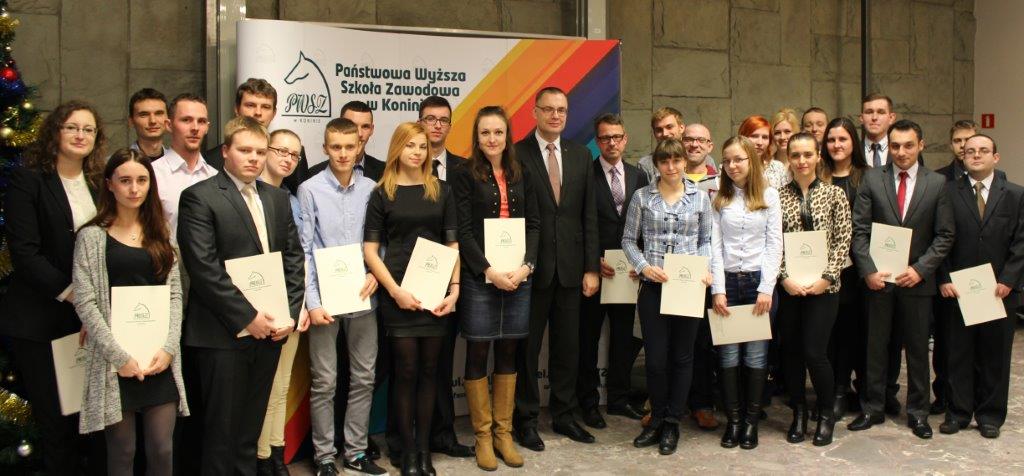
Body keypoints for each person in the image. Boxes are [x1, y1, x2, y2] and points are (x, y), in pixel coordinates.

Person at [176, 116, 305, 474]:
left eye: (260, 152)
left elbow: (294, 260)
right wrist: (248, 318)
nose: (253, 158)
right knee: (221, 434)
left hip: (271, 333)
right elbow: (204, 269)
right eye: (245, 150)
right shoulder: (199, 197)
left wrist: (289, 315)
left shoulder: (277, 199)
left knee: (250, 432)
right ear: (225, 151)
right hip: (223, 334)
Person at [0, 100, 107, 474]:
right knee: (57, 425)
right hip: (41, 319)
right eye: (72, 127)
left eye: (88, 129)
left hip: (90, 323)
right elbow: (25, 253)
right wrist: (76, 295)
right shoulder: (28, 179)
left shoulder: (99, 183)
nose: (80, 135)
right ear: (55, 132)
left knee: (93, 425)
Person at [71, 149, 189, 476]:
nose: (134, 189)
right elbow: (86, 302)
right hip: (114, 362)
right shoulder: (91, 237)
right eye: (125, 181)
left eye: (141, 180)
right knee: (123, 452)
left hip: (158, 358)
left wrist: (169, 348)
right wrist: (119, 357)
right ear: (110, 184)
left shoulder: (160, 234)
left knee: (162, 449)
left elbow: (175, 294)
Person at [848, 120, 955, 440]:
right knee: (876, 347)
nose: (901, 152)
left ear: (921, 145)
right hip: (879, 281)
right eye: (895, 146)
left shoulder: (937, 183)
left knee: (918, 350)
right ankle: (873, 408)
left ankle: (918, 413)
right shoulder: (872, 178)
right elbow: (859, 229)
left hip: (917, 282)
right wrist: (868, 270)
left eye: (908, 145)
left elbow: (945, 234)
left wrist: (921, 269)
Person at [363, 122, 460, 475]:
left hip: (435, 294)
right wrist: (395, 291)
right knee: (405, 372)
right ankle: (405, 451)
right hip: (398, 293)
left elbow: (452, 243)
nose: (417, 152)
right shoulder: (382, 193)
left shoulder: (442, 190)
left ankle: (423, 452)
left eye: (422, 146)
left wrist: (455, 290)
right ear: (397, 149)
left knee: (430, 372)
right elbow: (370, 250)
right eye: (410, 145)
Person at [513, 87, 600, 451]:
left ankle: (564, 415)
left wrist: (591, 267)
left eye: (561, 110)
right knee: (527, 350)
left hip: (571, 269)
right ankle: (525, 420)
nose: (555, 115)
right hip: (531, 269)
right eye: (548, 109)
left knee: (567, 348)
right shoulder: (516, 153)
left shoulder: (581, 154)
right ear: (534, 112)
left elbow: (588, 214)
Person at [452, 106, 539, 471]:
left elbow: (534, 224)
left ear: (508, 136)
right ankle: (483, 438)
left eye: (498, 132)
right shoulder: (464, 174)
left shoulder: (523, 171)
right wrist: (488, 270)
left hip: (517, 277)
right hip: (480, 278)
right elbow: (463, 230)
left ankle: (504, 434)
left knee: (508, 352)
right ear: (477, 137)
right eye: (485, 132)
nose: (492, 138)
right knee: (477, 352)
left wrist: (526, 267)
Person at [300, 119, 385, 476]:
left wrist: (375, 274)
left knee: (364, 376)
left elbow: (381, 240)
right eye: (336, 147)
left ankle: (356, 451)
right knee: (325, 381)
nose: (343, 154)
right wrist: (313, 302)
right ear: (325, 149)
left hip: (364, 295)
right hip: (325, 298)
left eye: (350, 146)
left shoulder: (372, 188)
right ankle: (323, 456)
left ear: (360, 146)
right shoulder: (309, 189)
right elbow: (304, 250)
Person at [622, 138, 713, 456]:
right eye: (665, 161)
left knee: (683, 357)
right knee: (656, 359)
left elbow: (705, 240)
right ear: (657, 164)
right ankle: (657, 418)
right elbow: (629, 240)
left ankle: (673, 422)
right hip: (653, 287)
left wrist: (704, 268)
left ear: (684, 162)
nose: (671, 167)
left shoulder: (699, 198)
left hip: (688, 287)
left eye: (676, 160)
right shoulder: (641, 197)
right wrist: (644, 267)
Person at [936, 134, 1024, 439]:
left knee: (994, 355)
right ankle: (958, 412)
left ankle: (990, 415)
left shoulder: (1015, 194)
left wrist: (1009, 279)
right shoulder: (947, 192)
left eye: (983, 151)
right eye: (970, 151)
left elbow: (1021, 241)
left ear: (995, 157)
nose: (976, 155)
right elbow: (939, 237)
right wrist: (944, 277)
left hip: (999, 290)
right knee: (958, 354)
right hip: (959, 290)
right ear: (962, 157)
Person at [776, 132, 852, 447]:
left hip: (825, 289)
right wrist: (784, 278)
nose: (802, 161)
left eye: (808, 154)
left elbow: (843, 239)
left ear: (818, 156)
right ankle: (799, 413)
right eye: (795, 155)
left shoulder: (835, 194)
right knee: (792, 352)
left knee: (815, 353)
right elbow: (772, 242)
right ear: (789, 159)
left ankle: (825, 414)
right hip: (790, 289)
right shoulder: (777, 196)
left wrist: (827, 277)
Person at [576, 113, 648, 432]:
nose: (612, 143)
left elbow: (645, 224)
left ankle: (619, 398)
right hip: (596, 272)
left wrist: (640, 261)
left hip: (627, 273)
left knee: (622, 337)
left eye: (617, 137)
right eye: (605, 138)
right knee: (588, 339)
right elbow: (578, 224)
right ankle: (588, 403)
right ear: (597, 141)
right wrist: (591, 262)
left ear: (625, 139)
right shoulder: (584, 175)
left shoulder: (638, 176)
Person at [710, 136, 782, 450]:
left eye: (738, 159)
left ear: (751, 160)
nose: (732, 165)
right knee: (727, 356)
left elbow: (774, 244)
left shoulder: (769, 195)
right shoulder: (719, 198)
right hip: (727, 284)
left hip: (757, 285)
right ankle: (734, 421)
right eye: (727, 160)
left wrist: (766, 288)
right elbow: (714, 247)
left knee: (755, 356)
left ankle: (751, 423)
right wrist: (718, 290)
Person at [416, 95, 473, 459]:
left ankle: (443, 433)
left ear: (450, 125)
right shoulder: (402, 167)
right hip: (411, 277)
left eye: (443, 120)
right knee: (410, 364)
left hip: (454, 275)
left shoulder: (465, 169)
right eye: (429, 118)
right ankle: (409, 436)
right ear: (419, 122)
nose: (436, 125)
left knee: (442, 360)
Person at [256, 129, 313, 475]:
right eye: (281, 151)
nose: (288, 159)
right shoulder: (249, 194)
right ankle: (261, 457)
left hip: (290, 303)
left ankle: (276, 454)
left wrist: (301, 305)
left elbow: (301, 257)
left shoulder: (291, 200)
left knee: (282, 384)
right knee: (262, 388)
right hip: (257, 308)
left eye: (294, 155)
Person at [820, 117, 870, 420]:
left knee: (851, 331)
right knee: (828, 332)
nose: (836, 145)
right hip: (821, 269)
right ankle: (831, 390)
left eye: (843, 139)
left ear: (854, 142)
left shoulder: (868, 177)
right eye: (831, 139)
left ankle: (843, 389)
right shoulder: (818, 174)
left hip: (855, 270)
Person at [680, 123, 720, 431]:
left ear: (709, 145)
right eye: (689, 139)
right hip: (676, 272)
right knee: (674, 340)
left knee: (704, 342)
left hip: (709, 272)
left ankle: (702, 404)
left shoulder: (722, 181)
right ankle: (666, 401)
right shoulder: (668, 177)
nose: (694, 145)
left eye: (700, 140)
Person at [204, 78, 310, 193]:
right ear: (237, 109)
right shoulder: (212, 159)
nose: (258, 113)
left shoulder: (292, 154)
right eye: (250, 105)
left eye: (266, 107)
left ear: (274, 113)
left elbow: (298, 195)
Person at [151, 93, 217, 237]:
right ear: (169, 125)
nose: (195, 128)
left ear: (207, 127)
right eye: (186, 120)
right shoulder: (153, 174)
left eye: (201, 121)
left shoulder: (216, 177)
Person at [307, 101, 385, 182]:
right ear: (341, 125)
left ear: (372, 130)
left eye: (365, 126)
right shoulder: (313, 175)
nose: (359, 134)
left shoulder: (386, 172)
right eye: (352, 126)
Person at [636, 107, 718, 183]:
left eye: (669, 127)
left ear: (681, 128)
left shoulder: (705, 159)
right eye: (659, 130)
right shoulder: (646, 164)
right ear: (654, 133)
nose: (665, 133)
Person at [739, 115, 789, 189]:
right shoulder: (732, 166)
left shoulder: (777, 167)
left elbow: (786, 194)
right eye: (754, 136)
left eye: (765, 137)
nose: (760, 142)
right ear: (743, 137)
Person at [127, 88, 169, 159]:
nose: (153, 121)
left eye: (158, 114)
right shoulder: (116, 163)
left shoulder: (181, 163)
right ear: (131, 121)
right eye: (144, 115)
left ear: (168, 119)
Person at [860, 93, 897, 168]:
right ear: (861, 118)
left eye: (881, 112)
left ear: (891, 118)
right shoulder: (852, 151)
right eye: (869, 112)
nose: (874, 117)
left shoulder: (904, 151)